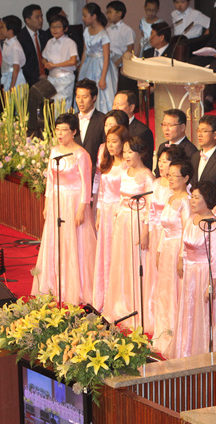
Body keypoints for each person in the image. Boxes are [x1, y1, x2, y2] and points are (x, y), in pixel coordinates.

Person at [31, 113, 96, 305]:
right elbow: (50, 181)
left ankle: (74, 287)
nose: (60, 134)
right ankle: (53, 284)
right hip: (56, 202)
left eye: (64, 130)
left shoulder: (81, 155)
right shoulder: (54, 151)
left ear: (74, 131)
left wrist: (82, 209)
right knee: (55, 241)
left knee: (74, 242)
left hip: (74, 201)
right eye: (57, 129)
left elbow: (86, 184)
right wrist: (46, 204)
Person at [103, 137, 155, 327]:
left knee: (135, 263)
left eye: (130, 151)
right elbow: (120, 198)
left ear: (140, 153)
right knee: (121, 262)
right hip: (122, 222)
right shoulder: (125, 172)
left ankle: (136, 305)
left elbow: (151, 208)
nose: (126, 155)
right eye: (124, 151)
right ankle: (120, 305)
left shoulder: (147, 176)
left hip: (137, 222)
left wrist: (145, 231)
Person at [176, 181, 216, 357]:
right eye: (192, 197)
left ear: (207, 200)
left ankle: (203, 351)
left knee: (203, 313)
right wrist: (181, 259)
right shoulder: (192, 219)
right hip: (190, 272)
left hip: (205, 273)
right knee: (189, 310)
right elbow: (184, 243)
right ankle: (186, 348)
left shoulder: (214, 225)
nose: (192, 201)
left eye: (197, 198)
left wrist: (211, 284)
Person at [152, 158, 193, 358]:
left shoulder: (186, 201)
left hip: (178, 247)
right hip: (167, 247)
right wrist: (159, 250)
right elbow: (164, 228)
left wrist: (181, 257)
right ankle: (162, 333)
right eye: (169, 175)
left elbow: (187, 231)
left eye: (175, 176)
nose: (170, 179)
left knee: (176, 291)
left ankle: (176, 335)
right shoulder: (169, 198)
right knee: (165, 292)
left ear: (186, 178)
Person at [145, 146, 184, 333]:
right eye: (159, 161)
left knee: (171, 282)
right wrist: (148, 231)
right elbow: (151, 210)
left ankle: (172, 322)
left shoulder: (181, 192)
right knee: (155, 276)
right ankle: (154, 315)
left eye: (166, 161)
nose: (161, 165)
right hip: (157, 234)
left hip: (172, 237)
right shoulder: (156, 183)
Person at [91, 122, 129, 312]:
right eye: (108, 141)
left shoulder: (126, 166)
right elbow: (102, 191)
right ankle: (103, 296)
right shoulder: (107, 163)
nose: (111, 145)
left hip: (118, 212)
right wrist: (98, 214)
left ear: (123, 142)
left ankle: (117, 298)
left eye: (115, 141)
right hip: (105, 212)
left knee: (116, 254)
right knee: (104, 254)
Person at [77, 3, 116, 114]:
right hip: (88, 64)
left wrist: (103, 78)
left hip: (100, 66)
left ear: (93, 16)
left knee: (101, 93)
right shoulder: (86, 31)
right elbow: (84, 52)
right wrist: (80, 70)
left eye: (85, 15)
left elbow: (106, 57)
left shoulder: (103, 34)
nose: (83, 18)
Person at [42, 15, 77, 111]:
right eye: (52, 27)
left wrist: (54, 65)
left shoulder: (70, 43)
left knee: (63, 105)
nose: (55, 29)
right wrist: (46, 63)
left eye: (58, 27)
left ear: (65, 28)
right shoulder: (50, 42)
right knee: (51, 106)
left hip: (65, 78)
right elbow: (43, 57)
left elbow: (73, 61)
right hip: (52, 78)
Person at [113, 90, 155, 169]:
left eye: (120, 104)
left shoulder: (142, 132)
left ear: (131, 107)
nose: (116, 108)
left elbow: (146, 162)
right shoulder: (110, 127)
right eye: (114, 104)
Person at [74, 79, 106, 175]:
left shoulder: (103, 120)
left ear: (94, 98)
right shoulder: (71, 120)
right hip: (73, 173)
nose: (80, 101)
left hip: (95, 173)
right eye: (78, 97)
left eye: (85, 97)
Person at [155, 109, 198, 176]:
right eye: (164, 125)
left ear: (182, 127)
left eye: (170, 125)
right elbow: (158, 173)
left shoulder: (190, 151)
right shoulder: (162, 146)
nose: (166, 129)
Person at [18, 4, 50, 85]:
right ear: (28, 20)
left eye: (41, 16)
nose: (41, 20)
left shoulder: (45, 35)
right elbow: (21, 63)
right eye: (37, 17)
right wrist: (37, 76)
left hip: (47, 78)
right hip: (28, 81)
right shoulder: (20, 38)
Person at [105, 1, 135, 72]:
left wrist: (117, 63)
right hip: (109, 61)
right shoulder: (107, 30)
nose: (108, 15)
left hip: (121, 63)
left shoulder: (127, 30)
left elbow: (130, 50)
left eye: (110, 12)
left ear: (119, 14)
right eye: (107, 12)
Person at [0, 16, 27, 91]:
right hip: (7, 76)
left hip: (15, 80)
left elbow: (16, 68)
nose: (1, 30)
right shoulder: (6, 42)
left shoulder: (15, 46)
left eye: (3, 27)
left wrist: (12, 87)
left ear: (10, 31)